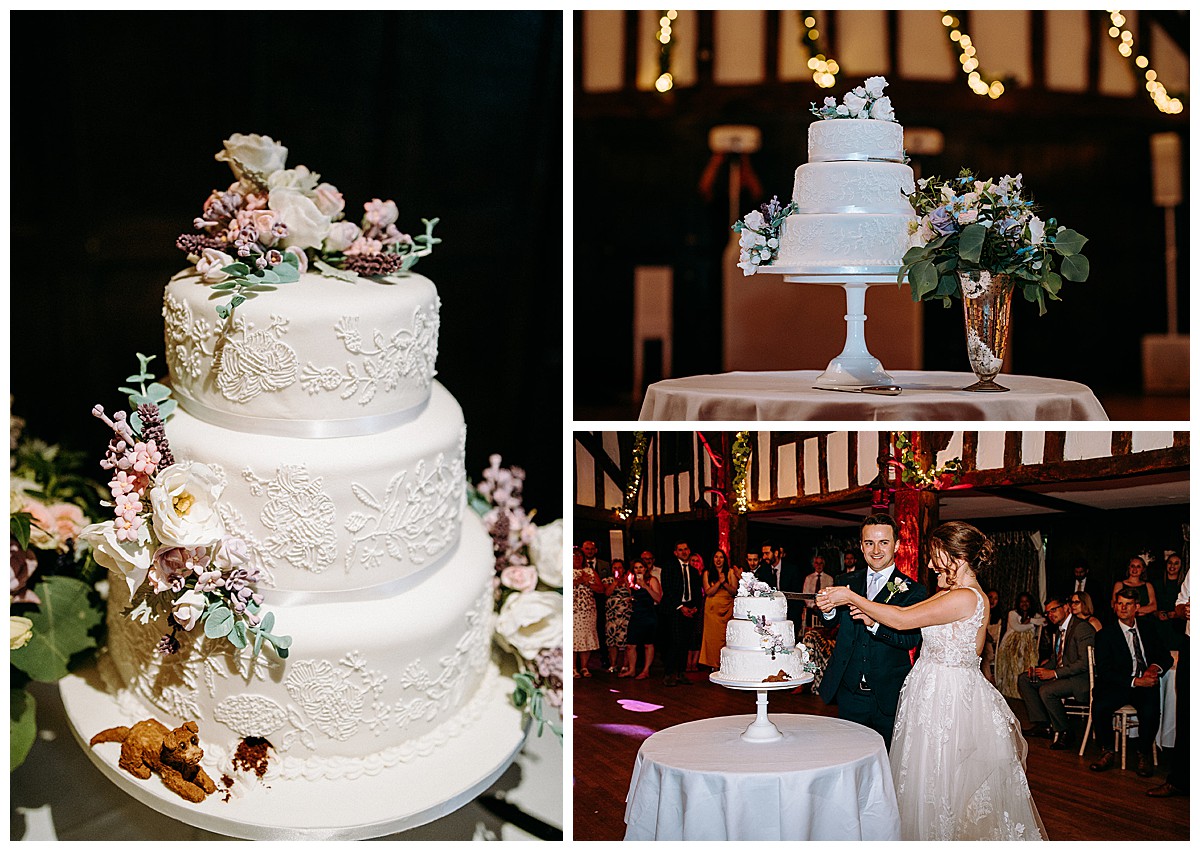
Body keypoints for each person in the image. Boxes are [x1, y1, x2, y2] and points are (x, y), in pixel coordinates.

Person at [817, 520, 1046, 840]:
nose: (929, 564)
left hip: (945, 699)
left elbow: (902, 619)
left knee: (941, 779)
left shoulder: (965, 598)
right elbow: (904, 615)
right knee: (929, 780)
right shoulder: (956, 594)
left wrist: (850, 597)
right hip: (935, 689)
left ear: (956, 556)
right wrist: (871, 615)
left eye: (935, 555)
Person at [816, 513, 927, 749]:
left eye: (883, 542)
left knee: (886, 759)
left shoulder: (913, 590)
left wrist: (874, 624)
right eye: (869, 543)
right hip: (849, 692)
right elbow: (830, 623)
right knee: (849, 755)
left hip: (888, 694)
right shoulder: (845, 581)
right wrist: (827, 610)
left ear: (896, 545)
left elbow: (910, 639)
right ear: (861, 546)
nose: (876, 550)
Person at [1089, 587, 1174, 777]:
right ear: (1115, 607)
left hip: (1144, 684)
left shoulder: (1148, 628)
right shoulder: (1105, 634)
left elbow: (1165, 656)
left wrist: (1154, 668)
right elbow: (1105, 671)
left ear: (1136, 607)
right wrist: (1136, 681)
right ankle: (1107, 751)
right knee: (1100, 705)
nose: (1123, 608)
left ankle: (1143, 753)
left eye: (1128, 604)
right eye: (1119, 603)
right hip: (1118, 684)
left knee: (1151, 708)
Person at [1017, 595, 1096, 750]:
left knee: (1046, 690)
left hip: (1081, 680)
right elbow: (1056, 659)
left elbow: (1084, 663)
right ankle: (1043, 725)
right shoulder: (1061, 629)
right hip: (1065, 676)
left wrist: (1054, 673)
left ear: (1066, 608)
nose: (1050, 615)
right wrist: (1039, 670)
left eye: (1054, 610)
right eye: (1048, 612)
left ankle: (1066, 731)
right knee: (1025, 679)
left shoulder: (1081, 628)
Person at [1149, 568, 1189, 798]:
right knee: (1186, 715)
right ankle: (1179, 780)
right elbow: (1180, 604)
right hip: (1191, 645)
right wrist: (1184, 610)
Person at [659, 540, 700, 686]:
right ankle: (669, 673)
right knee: (674, 642)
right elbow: (667, 589)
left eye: (686, 549)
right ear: (675, 553)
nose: (684, 552)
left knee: (685, 642)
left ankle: (681, 673)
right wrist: (680, 606)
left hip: (689, 610)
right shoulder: (669, 567)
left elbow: (696, 591)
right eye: (680, 549)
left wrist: (695, 607)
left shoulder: (693, 571)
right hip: (674, 610)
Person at [994, 592, 1046, 699]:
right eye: (1022, 601)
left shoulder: (1035, 615)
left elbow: (1045, 621)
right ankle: (1010, 691)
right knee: (1013, 662)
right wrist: (1032, 625)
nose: (1024, 604)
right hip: (1010, 646)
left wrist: (1031, 620)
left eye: (1027, 601)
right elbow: (1017, 627)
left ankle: (1024, 691)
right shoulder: (1012, 613)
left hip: (1027, 648)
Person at [698, 548, 739, 669]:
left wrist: (724, 583)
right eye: (716, 557)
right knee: (712, 638)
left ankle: (726, 665)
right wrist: (718, 583)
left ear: (724, 560)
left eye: (721, 557)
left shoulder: (730, 572)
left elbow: (734, 591)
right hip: (712, 610)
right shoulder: (707, 573)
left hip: (727, 608)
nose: (718, 560)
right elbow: (708, 591)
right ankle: (713, 665)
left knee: (726, 637)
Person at [622, 559, 661, 679]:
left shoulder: (652, 580)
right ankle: (632, 669)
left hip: (648, 615)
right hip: (636, 614)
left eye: (641, 567)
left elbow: (658, 598)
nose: (638, 570)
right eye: (636, 567)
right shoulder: (632, 581)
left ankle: (646, 670)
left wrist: (645, 586)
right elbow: (633, 596)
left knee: (648, 644)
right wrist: (630, 599)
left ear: (645, 568)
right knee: (631, 644)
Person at [572, 547, 604, 677]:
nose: (577, 558)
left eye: (580, 555)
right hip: (573, 611)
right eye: (574, 555)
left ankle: (584, 667)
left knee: (586, 638)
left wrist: (588, 584)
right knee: (573, 639)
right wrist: (580, 580)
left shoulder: (590, 571)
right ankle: (573, 668)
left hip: (588, 610)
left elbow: (601, 589)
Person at [603, 559, 633, 674]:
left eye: (620, 567)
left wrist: (626, 582)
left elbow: (633, 593)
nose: (617, 570)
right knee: (612, 641)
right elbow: (607, 593)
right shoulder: (607, 580)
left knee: (627, 641)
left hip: (626, 615)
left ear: (624, 569)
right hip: (612, 615)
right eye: (615, 568)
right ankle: (613, 664)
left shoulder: (629, 580)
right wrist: (615, 582)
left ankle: (625, 665)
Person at [801, 553, 835, 620]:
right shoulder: (808, 578)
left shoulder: (829, 579)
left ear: (823, 565)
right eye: (817, 563)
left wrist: (821, 605)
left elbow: (830, 595)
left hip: (824, 609)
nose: (819, 565)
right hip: (810, 609)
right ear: (814, 564)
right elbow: (805, 594)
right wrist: (813, 605)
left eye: (821, 563)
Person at [981, 589, 1003, 684]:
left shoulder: (998, 618)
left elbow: (994, 638)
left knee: (985, 654)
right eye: (990, 597)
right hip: (978, 645)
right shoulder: (980, 613)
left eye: (995, 598)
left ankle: (989, 680)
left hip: (990, 647)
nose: (992, 601)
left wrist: (985, 633)